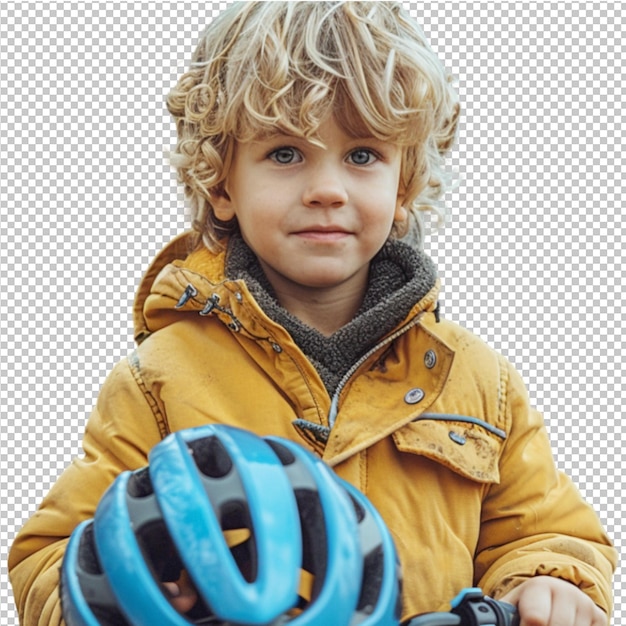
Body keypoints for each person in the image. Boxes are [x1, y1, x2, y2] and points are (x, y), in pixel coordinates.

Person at [9, 2, 616, 625]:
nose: (327, 188)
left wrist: (548, 583)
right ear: (222, 182)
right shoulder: (160, 380)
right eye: (284, 153)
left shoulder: (477, 384)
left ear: (403, 185)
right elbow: (52, 557)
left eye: (361, 156)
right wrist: (130, 589)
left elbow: (546, 534)